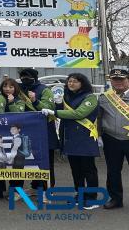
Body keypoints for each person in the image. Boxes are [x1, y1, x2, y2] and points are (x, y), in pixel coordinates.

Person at [41, 73, 100, 210]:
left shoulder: (89, 97)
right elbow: (57, 109)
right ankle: (79, 195)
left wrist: (54, 112)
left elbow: (79, 113)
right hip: (70, 139)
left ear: (82, 83)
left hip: (86, 138)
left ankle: (91, 198)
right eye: (69, 81)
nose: (71, 84)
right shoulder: (66, 97)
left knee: (89, 170)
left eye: (75, 81)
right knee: (76, 170)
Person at [18, 68, 58, 193]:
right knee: (30, 161)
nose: (25, 79)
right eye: (23, 77)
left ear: (34, 77)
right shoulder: (19, 90)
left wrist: (35, 101)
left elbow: (50, 108)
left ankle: (47, 189)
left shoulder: (44, 90)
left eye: (28, 77)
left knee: (46, 161)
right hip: (26, 131)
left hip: (44, 131)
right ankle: (35, 186)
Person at [98, 68, 129, 209]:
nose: (118, 82)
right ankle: (116, 199)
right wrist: (98, 134)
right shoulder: (104, 97)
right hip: (111, 139)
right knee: (113, 171)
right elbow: (98, 117)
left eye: (121, 79)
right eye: (115, 80)